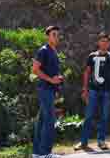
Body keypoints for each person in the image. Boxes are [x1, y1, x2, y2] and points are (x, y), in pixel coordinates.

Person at [74, 32, 110, 151]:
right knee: (88, 116)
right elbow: (87, 73)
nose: (104, 43)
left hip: (106, 91)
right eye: (102, 41)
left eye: (106, 41)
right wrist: (85, 90)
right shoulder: (91, 56)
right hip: (93, 90)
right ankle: (83, 142)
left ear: (109, 43)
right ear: (98, 42)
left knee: (104, 117)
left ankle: (101, 141)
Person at [32, 25, 64, 158]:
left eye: (57, 34)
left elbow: (52, 71)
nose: (56, 37)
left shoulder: (53, 51)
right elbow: (35, 69)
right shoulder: (43, 50)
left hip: (50, 89)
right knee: (49, 120)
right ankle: (45, 153)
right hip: (45, 89)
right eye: (53, 34)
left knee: (42, 121)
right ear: (47, 36)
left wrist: (58, 79)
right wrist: (51, 80)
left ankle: (37, 153)